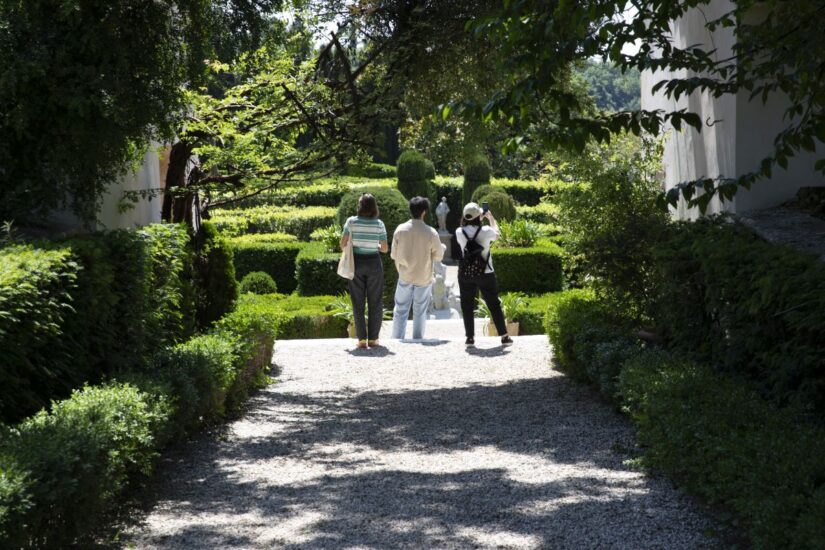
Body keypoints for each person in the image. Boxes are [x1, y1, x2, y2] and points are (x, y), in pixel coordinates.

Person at [455, 202, 513, 347]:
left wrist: (476, 219)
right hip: (485, 272)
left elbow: (469, 232)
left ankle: (470, 338)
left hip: (466, 273)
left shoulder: (459, 232)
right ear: (478, 216)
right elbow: (498, 234)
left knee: (467, 305)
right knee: (494, 304)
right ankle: (504, 336)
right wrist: (491, 219)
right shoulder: (486, 231)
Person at [390, 196, 444, 339]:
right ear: (424, 212)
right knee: (420, 310)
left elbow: (393, 254)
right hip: (423, 276)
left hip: (405, 274)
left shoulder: (400, 229)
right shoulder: (431, 232)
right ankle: (418, 338)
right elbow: (439, 256)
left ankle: (397, 338)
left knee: (400, 309)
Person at [341, 193, 388, 348]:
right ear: (374, 207)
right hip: (374, 262)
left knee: (357, 301)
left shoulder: (351, 222)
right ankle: (373, 339)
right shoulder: (379, 224)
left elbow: (343, 244)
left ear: (360, 206)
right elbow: (384, 249)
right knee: (376, 301)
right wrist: (375, 245)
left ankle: (361, 340)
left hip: (356, 263)